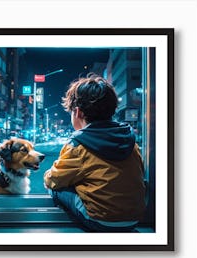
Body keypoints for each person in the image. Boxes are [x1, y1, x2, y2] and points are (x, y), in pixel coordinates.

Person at [44, 74, 146, 232]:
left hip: (101, 221)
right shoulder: (130, 140)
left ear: (78, 112)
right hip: (135, 219)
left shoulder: (78, 143)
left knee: (55, 189)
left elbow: (54, 179)